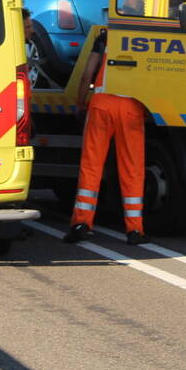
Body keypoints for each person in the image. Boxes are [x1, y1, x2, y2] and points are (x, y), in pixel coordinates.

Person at [63, 27, 148, 245]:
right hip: (132, 107)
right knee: (132, 168)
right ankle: (135, 230)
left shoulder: (104, 38)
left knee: (91, 165)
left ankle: (81, 223)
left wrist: (80, 104)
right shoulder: (148, 38)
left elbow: (86, 75)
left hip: (101, 105)